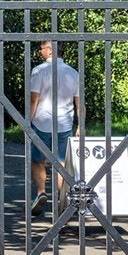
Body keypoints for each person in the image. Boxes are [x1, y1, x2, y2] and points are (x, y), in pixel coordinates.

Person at [27, 39, 82, 215]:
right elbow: (79, 103)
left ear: (50, 51)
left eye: (42, 48)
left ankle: (41, 192)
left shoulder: (39, 71)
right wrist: (81, 124)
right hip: (64, 123)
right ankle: (63, 199)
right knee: (61, 163)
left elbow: (34, 99)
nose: (40, 52)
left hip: (41, 122)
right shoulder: (74, 73)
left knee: (37, 160)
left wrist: (27, 121)